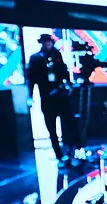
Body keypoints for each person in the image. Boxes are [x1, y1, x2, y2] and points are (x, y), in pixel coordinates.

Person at [26, 33, 73, 161]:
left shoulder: (57, 55)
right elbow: (31, 79)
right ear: (41, 43)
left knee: (69, 122)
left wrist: (68, 85)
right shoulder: (35, 59)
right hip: (47, 97)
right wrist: (30, 95)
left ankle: (71, 150)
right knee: (51, 128)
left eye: (49, 42)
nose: (48, 44)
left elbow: (64, 71)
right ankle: (59, 154)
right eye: (45, 42)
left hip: (61, 96)